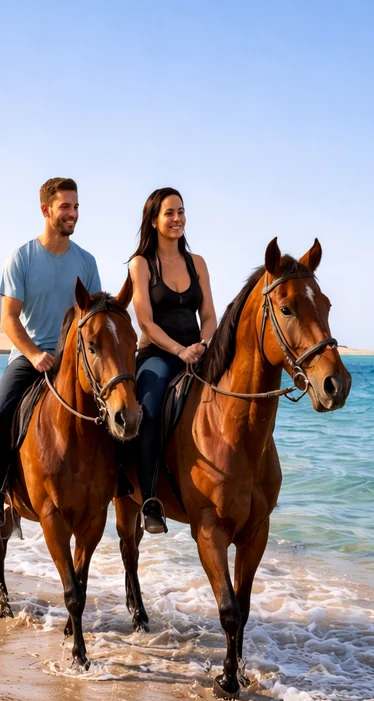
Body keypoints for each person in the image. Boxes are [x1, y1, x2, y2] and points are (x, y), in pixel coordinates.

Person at [0, 177, 102, 527]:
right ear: (45, 210)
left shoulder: (86, 261)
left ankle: (122, 484)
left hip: (74, 360)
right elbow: (8, 318)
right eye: (65, 206)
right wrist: (35, 354)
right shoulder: (22, 258)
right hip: (29, 357)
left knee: (117, 406)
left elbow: (93, 315)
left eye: (76, 207)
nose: (72, 213)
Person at [127, 187, 216, 534]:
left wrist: (204, 345)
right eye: (169, 213)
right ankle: (150, 500)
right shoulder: (141, 264)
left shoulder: (198, 263)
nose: (177, 218)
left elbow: (208, 315)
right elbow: (145, 322)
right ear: (153, 220)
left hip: (198, 353)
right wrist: (179, 351)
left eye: (181, 211)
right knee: (147, 411)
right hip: (158, 355)